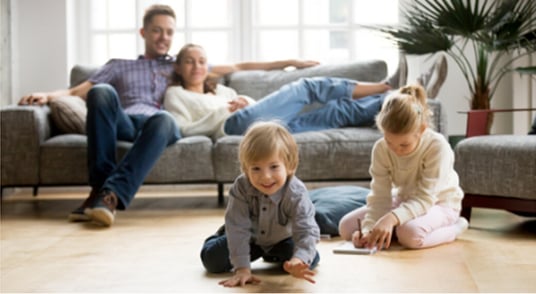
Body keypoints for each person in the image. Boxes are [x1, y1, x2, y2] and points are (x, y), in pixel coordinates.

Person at [17, 5, 319, 227]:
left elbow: (240, 67)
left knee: (164, 119)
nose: (164, 37)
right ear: (144, 32)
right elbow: (79, 90)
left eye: (169, 32)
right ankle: (100, 189)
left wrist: (290, 61)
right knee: (101, 93)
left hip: (160, 126)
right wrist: (47, 96)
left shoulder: (179, 64)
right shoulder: (118, 65)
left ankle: (109, 195)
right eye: (157, 30)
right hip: (125, 121)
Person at [164, 44, 393, 139]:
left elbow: (255, 109)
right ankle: (385, 85)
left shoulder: (223, 91)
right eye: (189, 62)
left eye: (202, 61)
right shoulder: (176, 94)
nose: (196, 67)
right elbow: (182, 130)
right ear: (178, 67)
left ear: (208, 66)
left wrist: (245, 101)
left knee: (335, 112)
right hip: (232, 127)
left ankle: (392, 100)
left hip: (261, 128)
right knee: (305, 87)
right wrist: (222, 112)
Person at [338, 84, 468, 250]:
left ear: (421, 130)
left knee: (410, 236)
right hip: (404, 201)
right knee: (346, 228)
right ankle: (390, 232)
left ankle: (455, 228)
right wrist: (368, 230)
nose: (396, 150)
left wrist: (391, 218)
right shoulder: (380, 148)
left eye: (404, 145)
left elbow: (425, 198)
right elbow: (379, 196)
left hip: (440, 203)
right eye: (389, 142)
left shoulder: (437, 146)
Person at [200, 121, 320, 287]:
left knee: (310, 259)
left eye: (274, 167)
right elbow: (238, 228)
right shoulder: (241, 187)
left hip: (282, 239)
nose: (265, 177)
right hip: (249, 238)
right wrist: (242, 269)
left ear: (289, 165)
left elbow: (306, 230)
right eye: (256, 168)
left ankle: (274, 255)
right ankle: (221, 235)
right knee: (211, 261)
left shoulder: (296, 192)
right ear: (246, 168)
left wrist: (297, 260)